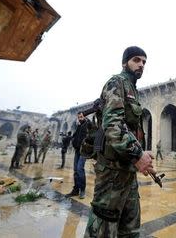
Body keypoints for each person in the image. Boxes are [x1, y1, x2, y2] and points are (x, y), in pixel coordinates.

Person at [84, 46, 155, 238]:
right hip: (112, 171)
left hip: (127, 169)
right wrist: (137, 154)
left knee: (130, 227)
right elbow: (113, 125)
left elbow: (131, 128)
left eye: (144, 62)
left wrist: (141, 154)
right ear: (125, 63)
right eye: (136, 60)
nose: (141, 65)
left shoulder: (132, 89)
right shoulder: (116, 83)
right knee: (103, 226)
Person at [66, 113, 91, 199]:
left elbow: (91, 136)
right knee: (75, 170)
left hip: (84, 151)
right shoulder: (79, 126)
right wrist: (73, 140)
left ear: (85, 116)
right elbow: (75, 136)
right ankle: (76, 189)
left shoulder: (88, 125)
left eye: (81, 117)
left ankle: (82, 190)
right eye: (78, 117)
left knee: (80, 169)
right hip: (77, 150)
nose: (80, 119)